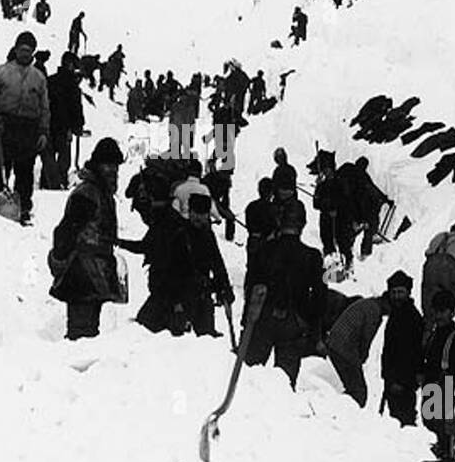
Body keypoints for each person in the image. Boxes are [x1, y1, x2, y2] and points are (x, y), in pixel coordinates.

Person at [50, 138, 126, 340]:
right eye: (108, 165)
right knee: (80, 336)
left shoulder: (100, 193)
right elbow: (66, 231)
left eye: (116, 167)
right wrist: (58, 259)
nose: (113, 172)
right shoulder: (87, 194)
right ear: (98, 165)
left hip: (95, 272)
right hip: (81, 272)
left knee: (89, 334)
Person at [244, 199, 325, 387]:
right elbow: (320, 295)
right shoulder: (313, 257)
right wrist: (315, 331)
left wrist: (246, 321)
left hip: (262, 320)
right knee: (285, 384)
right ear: (303, 225)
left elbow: (252, 285)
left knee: (249, 378)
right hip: (294, 323)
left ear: (280, 221)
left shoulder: (264, 250)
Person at [132, 191, 233, 338]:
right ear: (190, 212)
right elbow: (168, 270)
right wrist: (175, 301)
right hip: (175, 295)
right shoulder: (179, 233)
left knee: (206, 340)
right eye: (196, 213)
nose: (199, 217)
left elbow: (217, 264)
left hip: (200, 295)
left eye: (203, 214)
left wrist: (224, 287)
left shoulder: (208, 235)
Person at [0, 30, 50, 225]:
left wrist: (43, 131)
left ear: (33, 52)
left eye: (28, 50)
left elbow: (45, 107)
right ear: (16, 49)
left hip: (28, 128)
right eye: (22, 49)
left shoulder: (39, 77)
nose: (24, 53)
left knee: (25, 170)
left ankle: (23, 207)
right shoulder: (3, 71)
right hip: (4, 125)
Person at [420, 289, 455, 459]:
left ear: (452, 313)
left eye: (443, 311)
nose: (439, 315)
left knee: (447, 448)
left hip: (448, 400)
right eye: (436, 311)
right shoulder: (432, 338)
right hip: (433, 399)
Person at [322, 278, 395, 407]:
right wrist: (361, 357)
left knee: (353, 388)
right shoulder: (375, 312)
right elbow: (366, 338)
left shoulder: (367, 303)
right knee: (359, 392)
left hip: (335, 344)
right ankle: (338, 411)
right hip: (344, 348)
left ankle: (338, 409)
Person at [380, 271, 424, 425]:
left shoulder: (412, 317)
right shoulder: (396, 314)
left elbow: (412, 353)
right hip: (393, 379)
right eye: (394, 292)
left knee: (404, 420)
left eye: (401, 292)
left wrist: (398, 381)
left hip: (403, 381)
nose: (397, 296)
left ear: (408, 293)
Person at [421, 222, 455, 338]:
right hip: (449, 266)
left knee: (429, 301)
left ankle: (427, 329)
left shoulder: (439, 236)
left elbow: (428, 252)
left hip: (429, 266)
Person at [45, 50, 85, 190]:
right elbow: (76, 108)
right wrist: (78, 126)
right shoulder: (72, 86)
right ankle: (60, 183)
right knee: (64, 158)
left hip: (48, 125)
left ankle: (47, 182)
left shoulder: (50, 81)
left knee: (48, 157)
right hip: (63, 127)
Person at [351, 156, 392, 259]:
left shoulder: (350, 174)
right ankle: (365, 253)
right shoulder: (362, 176)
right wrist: (384, 199)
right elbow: (372, 189)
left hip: (350, 207)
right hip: (361, 207)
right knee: (370, 224)